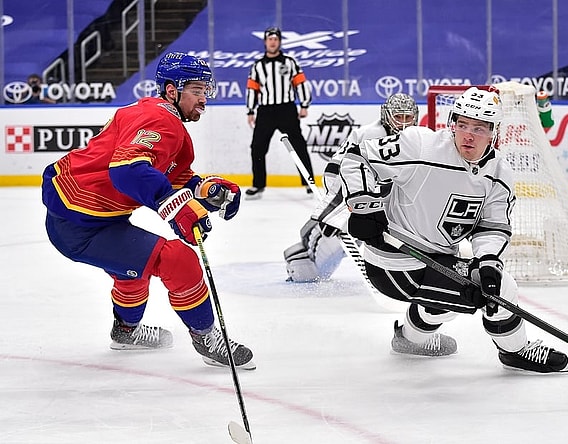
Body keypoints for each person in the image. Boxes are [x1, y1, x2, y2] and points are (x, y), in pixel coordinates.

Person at [41, 52, 255, 370]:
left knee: (133, 269)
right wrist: (176, 207)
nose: (203, 99)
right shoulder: (161, 120)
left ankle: (125, 332)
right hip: (79, 224)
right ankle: (208, 336)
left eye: (205, 91)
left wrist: (204, 189)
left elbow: (171, 176)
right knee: (178, 260)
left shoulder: (158, 117)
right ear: (172, 90)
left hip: (90, 215)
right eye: (196, 90)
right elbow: (127, 170)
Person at [338, 87, 568, 374]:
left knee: (469, 289)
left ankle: (411, 340)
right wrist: (364, 205)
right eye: (462, 124)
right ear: (452, 123)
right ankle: (516, 351)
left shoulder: (498, 174)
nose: (468, 134)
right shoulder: (420, 145)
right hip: (393, 261)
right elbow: (357, 156)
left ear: (493, 132)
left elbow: (492, 225)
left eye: (479, 127)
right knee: (501, 287)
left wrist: (486, 261)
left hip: (435, 262)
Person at [284, 93, 419, 282]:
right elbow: (338, 170)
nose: (403, 123)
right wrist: (339, 207)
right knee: (334, 239)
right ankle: (301, 258)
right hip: (346, 186)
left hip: (378, 194)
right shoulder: (371, 135)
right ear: (386, 115)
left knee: (363, 235)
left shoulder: (414, 138)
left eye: (408, 117)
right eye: (398, 117)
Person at [245, 26, 313, 199]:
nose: (273, 42)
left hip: (286, 110)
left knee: (298, 146)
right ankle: (258, 185)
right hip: (265, 111)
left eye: (276, 39)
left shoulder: (290, 62)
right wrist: (250, 111)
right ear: (265, 42)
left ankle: (309, 182)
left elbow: (301, 84)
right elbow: (252, 89)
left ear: (280, 41)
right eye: (270, 39)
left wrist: (304, 105)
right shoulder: (257, 66)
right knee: (257, 148)